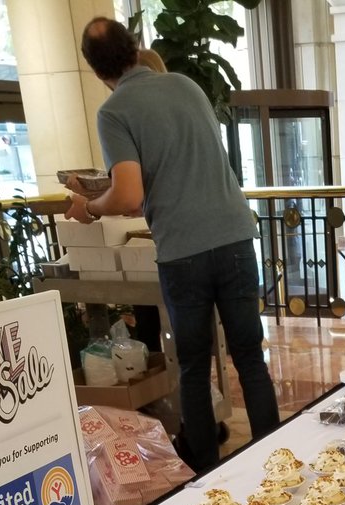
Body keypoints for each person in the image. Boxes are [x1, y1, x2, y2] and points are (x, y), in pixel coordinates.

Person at [65, 17, 280, 474]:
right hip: (236, 236)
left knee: (195, 365)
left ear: (95, 69)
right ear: (134, 47)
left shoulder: (114, 111)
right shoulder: (186, 86)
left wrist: (89, 207)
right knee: (249, 356)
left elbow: (128, 194)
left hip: (184, 251)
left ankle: (205, 469)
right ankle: (275, 459)